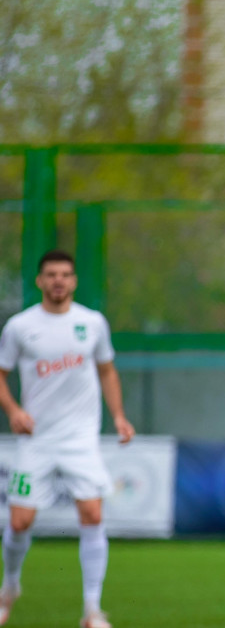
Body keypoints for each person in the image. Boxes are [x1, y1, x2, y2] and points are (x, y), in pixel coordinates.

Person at [0, 250, 134, 628]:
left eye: (65, 274)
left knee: (92, 514)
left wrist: (119, 416)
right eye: (51, 274)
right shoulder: (20, 327)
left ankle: (92, 611)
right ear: (40, 281)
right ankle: (9, 588)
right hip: (36, 440)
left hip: (81, 439)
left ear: (74, 281)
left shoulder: (91, 323)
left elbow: (107, 371)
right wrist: (13, 411)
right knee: (21, 522)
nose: (58, 280)